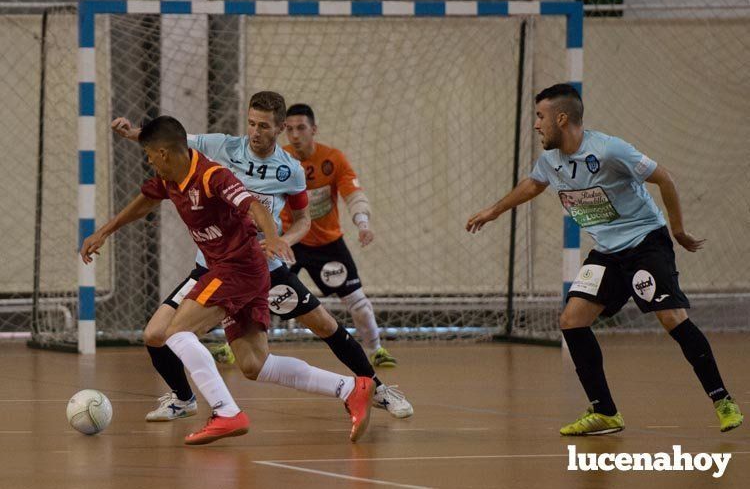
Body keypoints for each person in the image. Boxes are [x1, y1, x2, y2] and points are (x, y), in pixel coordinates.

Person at [111, 92, 413, 421]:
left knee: (324, 325)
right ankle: (184, 399)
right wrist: (132, 133)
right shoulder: (223, 146)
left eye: (264, 126)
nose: (255, 131)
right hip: (212, 265)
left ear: (280, 127)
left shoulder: (291, 170)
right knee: (157, 335)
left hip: (264, 267)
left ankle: (376, 387)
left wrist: (281, 240)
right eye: (252, 123)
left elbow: (302, 220)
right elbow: (172, 141)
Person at [466, 83, 743, 436]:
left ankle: (722, 400)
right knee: (571, 320)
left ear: (561, 118)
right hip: (609, 252)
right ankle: (605, 412)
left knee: (671, 317)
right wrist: (492, 211)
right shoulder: (550, 161)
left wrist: (677, 230)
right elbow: (533, 184)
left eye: (540, 116)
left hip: (646, 242)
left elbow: (665, 178)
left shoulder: (610, 150)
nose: (536, 124)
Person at [282, 103, 395, 368]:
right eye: (289, 129)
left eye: (301, 128)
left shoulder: (333, 159)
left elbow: (353, 195)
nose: (295, 135)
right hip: (289, 241)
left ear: (314, 130)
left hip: (327, 244)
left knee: (358, 303)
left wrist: (363, 224)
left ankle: (376, 349)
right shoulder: (279, 159)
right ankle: (231, 347)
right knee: (261, 294)